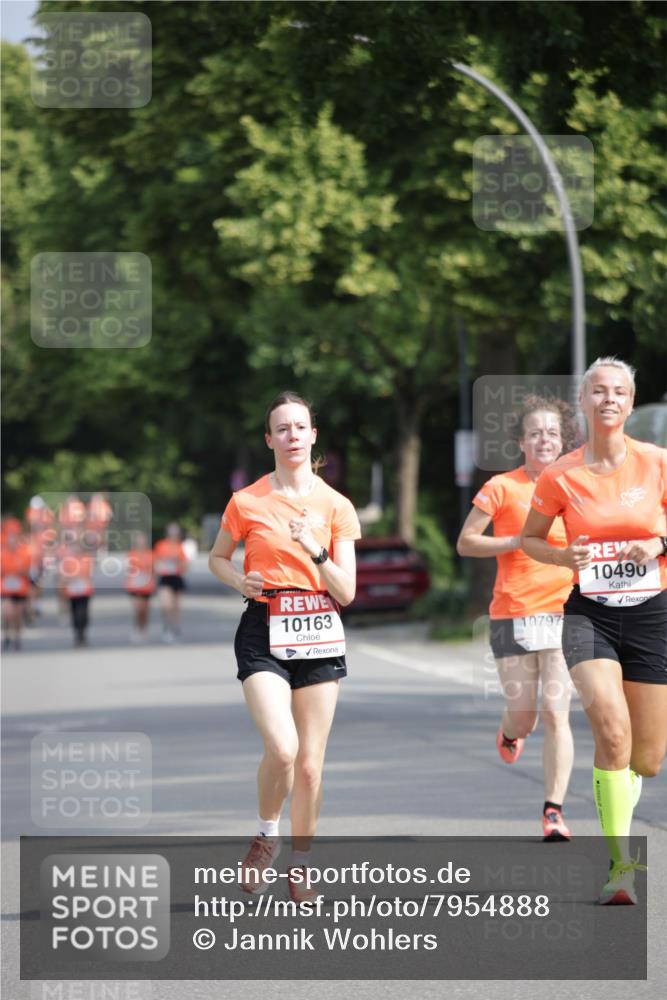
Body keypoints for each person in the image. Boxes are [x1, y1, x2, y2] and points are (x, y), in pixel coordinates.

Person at [522, 358, 667, 904]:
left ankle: (620, 823)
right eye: (598, 391)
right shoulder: (562, 473)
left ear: (630, 404)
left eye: (620, 392)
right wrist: (563, 554)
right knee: (612, 733)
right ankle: (621, 865)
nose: (608, 399)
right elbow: (530, 539)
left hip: (654, 613)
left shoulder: (658, 463)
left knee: (647, 758)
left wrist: (658, 544)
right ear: (582, 403)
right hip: (591, 616)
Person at [208, 391, 360, 901]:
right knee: (283, 748)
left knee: (312, 765)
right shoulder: (247, 501)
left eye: (301, 427)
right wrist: (238, 581)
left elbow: (347, 591)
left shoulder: (336, 505)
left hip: (319, 628)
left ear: (313, 435)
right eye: (283, 428)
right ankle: (265, 835)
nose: (292, 436)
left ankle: (302, 863)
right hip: (264, 628)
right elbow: (217, 558)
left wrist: (313, 547)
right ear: (268, 439)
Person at [458, 395, 580, 840]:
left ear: (563, 439)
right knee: (525, 715)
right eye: (535, 433)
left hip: (565, 610)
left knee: (555, 712)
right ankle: (510, 734)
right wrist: (517, 541)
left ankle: (553, 811)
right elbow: (467, 542)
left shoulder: (577, 485)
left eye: (552, 432)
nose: (544, 439)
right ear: (521, 442)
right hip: (512, 613)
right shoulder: (501, 487)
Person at [153, 523, 189, 642]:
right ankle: (167, 627)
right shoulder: (161, 545)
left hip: (176, 577)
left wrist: (177, 562)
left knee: (176, 606)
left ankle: (176, 629)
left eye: (175, 531)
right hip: (165, 578)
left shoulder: (180, 546)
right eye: (171, 531)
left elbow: (186, 566)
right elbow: (155, 562)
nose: (173, 534)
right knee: (166, 605)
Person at [1, 528, 32, 650]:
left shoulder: (24, 553)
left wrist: (18, 572)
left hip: (20, 589)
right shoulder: (2, 554)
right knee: (7, 613)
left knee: (18, 615)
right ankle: (6, 634)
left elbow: (27, 571)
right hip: (6, 589)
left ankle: (17, 636)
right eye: (10, 541)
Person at [59, 541, 95, 647]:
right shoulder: (68, 561)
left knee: (83, 613)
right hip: (72, 591)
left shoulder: (87, 559)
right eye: (74, 548)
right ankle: (77, 634)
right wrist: (69, 579)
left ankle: (83, 633)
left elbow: (89, 574)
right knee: (75, 613)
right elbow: (63, 575)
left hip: (84, 590)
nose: (76, 550)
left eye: (78, 548)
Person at [125, 531, 155, 643]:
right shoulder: (131, 554)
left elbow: (154, 569)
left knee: (145, 610)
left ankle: (144, 629)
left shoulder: (150, 554)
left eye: (143, 539)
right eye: (139, 539)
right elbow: (128, 569)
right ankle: (137, 628)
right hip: (134, 585)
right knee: (138, 608)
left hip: (147, 586)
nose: (141, 542)